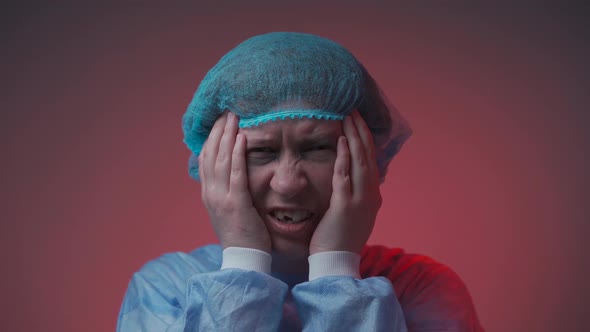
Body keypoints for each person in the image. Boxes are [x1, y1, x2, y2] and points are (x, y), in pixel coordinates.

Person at [117, 32, 484, 331]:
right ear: (215, 162)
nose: (289, 184)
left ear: (367, 157)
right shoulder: (164, 288)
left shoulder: (422, 287)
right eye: (261, 152)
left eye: (318, 148)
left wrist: (336, 269)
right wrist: (244, 261)